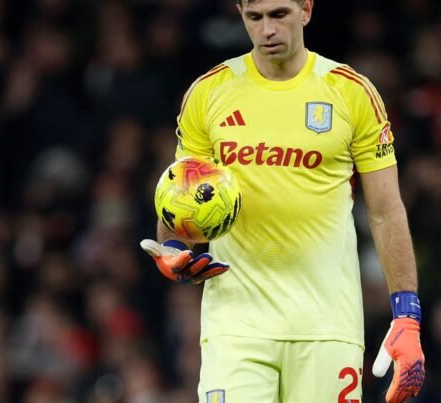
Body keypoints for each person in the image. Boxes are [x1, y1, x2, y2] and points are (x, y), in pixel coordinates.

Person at [140, 0, 425, 401]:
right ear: (240, 13)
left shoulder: (351, 93)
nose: (267, 30)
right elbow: (181, 199)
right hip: (236, 326)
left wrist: (407, 316)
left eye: (279, 15)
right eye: (254, 18)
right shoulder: (208, 94)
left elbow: (385, 211)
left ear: (306, 10)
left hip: (327, 328)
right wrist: (173, 248)